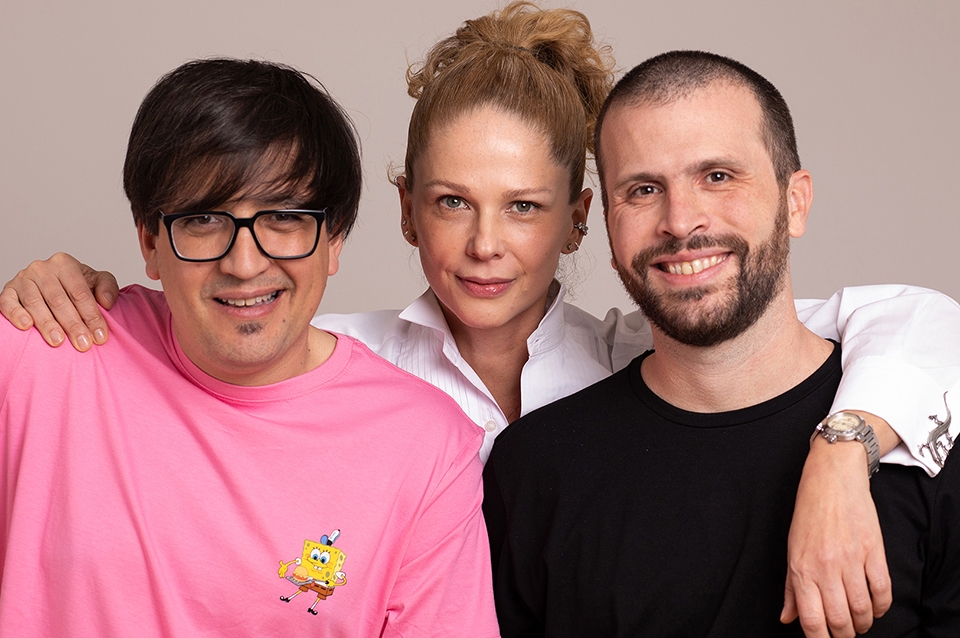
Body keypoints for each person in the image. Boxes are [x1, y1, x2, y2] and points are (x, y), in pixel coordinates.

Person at [2, 3, 960, 635]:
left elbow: (912, 325)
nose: (486, 245)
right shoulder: (332, 359)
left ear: (578, 219)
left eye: (525, 207)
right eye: (453, 203)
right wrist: (77, 295)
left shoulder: (641, 352)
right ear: (405, 212)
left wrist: (844, 445)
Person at [0, 57, 498, 637]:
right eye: (204, 219)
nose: (244, 263)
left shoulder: (427, 447)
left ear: (334, 240)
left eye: (283, 217)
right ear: (150, 242)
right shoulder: (44, 351)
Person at [482, 49, 960, 637]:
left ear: (795, 201)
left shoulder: (930, 439)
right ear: (607, 226)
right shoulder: (532, 471)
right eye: (643, 189)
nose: (681, 221)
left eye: (717, 176)